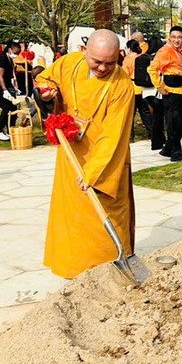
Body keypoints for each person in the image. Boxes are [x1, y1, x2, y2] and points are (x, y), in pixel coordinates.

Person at [35, 29, 136, 279]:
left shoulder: (122, 86)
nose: (102, 68)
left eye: (110, 63)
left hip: (103, 160)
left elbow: (114, 135)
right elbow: (46, 80)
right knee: (70, 214)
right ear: (84, 52)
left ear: (119, 57)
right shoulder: (69, 63)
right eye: (97, 61)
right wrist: (46, 94)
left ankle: (107, 265)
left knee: (103, 210)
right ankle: (70, 265)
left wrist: (93, 172)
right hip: (71, 151)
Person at [148, 26, 182, 161]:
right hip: (170, 91)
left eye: (179, 37)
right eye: (173, 37)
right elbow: (152, 69)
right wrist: (159, 86)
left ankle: (168, 147)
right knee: (174, 121)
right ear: (169, 38)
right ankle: (175, 151)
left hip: (180, 90)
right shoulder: (165, 51)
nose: (176, 40)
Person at [0, 41, 23, 141]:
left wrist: (14, 88)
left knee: (13, 108)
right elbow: (0, 76)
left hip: (6, 84)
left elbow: (8, 77)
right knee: (6, 107)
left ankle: (10, 130)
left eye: (18, 53)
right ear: (9, 50)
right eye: (15, 52)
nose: (16, 55)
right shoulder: (3, 59)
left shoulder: (10, 60)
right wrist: (5, 90)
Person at [123, 39, 155, 137]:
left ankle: (130, 136)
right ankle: (152, 133)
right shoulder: (143, 58)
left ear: (129, 48)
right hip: (143, 88)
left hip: (132, 88)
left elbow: (125, 75)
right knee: (145, 112)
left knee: (130, 114)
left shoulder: (127, 59)